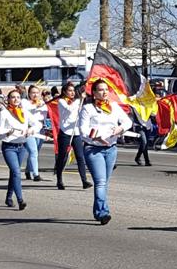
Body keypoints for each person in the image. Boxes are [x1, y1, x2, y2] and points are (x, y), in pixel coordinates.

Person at [78, 79, 133, 225]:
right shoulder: (88, 109)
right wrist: (95, 137)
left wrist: (120, 129)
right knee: (100, 182)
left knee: (104, 183)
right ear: (94, 93)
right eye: (101, 90)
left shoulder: (113, 107)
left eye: (106, 89)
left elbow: (128, 122)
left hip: (111, 149)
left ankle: (98, 211)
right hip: (94, 149)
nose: (104, 92)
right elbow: (82, 130)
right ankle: (103, 213)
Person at [0, 89, 40, 210]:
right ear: (8, 100)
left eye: (18, 97)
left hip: (22, 146)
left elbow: (37, 124)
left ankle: (9, 197)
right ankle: (20, 200)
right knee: (16, 172)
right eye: (13, 97)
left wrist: (31, 130)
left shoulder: (24, 112)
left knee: (14, 173)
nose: (16, 99)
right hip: (9, 146)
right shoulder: (4, 113)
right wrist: (7, 133)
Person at [53, 82, 91, 190]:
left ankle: (84, 181)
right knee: (62, 157)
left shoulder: (78, 102)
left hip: (76, 132)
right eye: (70, 90)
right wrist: (79, 100)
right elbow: (69, 109)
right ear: (64, 92)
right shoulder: (61, 101)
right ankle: (59, 180)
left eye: (73, 90)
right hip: (65, 133)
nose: (72, 93)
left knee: (80, 157)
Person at [22, 84, 47, 181]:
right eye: (33, 93)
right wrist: (36, 105)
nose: (35, 95)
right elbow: (26, 109)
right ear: (29, 94)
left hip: (40, 129)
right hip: (30, 129)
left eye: (37, 93)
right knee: (33, 151)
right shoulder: (25, 102)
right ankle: (36, 174)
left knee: (35, 152)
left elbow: (46, 113)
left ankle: (28, 170)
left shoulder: (43, 103)